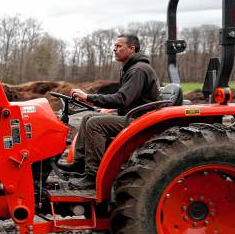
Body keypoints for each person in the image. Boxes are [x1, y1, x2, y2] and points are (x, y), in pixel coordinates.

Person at [60, 34, 160, 189]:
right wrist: (112, 108)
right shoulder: (132, 68)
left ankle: (93, 176)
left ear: (132, 48)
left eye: (119, 46)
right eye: (115, 46)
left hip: (139, 120)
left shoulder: (138, 70)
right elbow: (134, 98)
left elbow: (122, 98)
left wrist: (88, 97)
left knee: (95, 124)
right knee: (88, 118)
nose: (115, 49)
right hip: (134, 114)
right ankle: (80, 164)